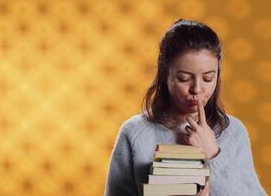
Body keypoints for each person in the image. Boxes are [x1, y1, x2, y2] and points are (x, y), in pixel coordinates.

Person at [104, 19, 267, 196]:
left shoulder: (233, 132)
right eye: (183, 78)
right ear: (165, 74)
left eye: (208, 78)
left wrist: (212, 154)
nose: (197, 89)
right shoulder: (135, 132)